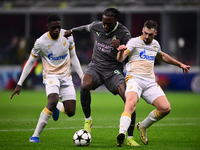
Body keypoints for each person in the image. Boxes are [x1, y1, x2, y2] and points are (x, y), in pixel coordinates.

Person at [59, 7, 139, 146]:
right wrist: (71, 31)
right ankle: (88, 119)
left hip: (113, 70)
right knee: (84, 85)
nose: (105, 26)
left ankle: (130, 137)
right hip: (96, 66)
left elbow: (129, 55)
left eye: (109, 24)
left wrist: (121, 47)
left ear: (115, 21)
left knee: (128, 99)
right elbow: (85, 27)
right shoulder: (97, 26)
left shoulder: (124, 33)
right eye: (104, 23)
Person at [116, 20, 190, 146]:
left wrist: (179, 64)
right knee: (131, 104)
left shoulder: (155, 44)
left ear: (155, 33)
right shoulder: (134, 42)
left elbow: (162, 56)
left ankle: (143, 126)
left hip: (150, 82)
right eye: (145, 33)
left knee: (165, 108)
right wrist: (121, 51)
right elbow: (120, 59)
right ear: (142, 31)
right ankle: (122, 133)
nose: (147, 36)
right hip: (134, 79)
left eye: (150, 34)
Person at [10, 14, 83, 142]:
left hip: (66, 77)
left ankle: (57, 107)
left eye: (58, 27)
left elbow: (74, 57)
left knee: (71, 112)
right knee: (52, 100)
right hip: (50, 75)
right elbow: (30, 62)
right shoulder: (41, 42)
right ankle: (35, 135)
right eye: (53, 27)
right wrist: (20, 83)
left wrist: (82, 77)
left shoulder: (68, 36)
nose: (56, 30)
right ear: (47, 26)